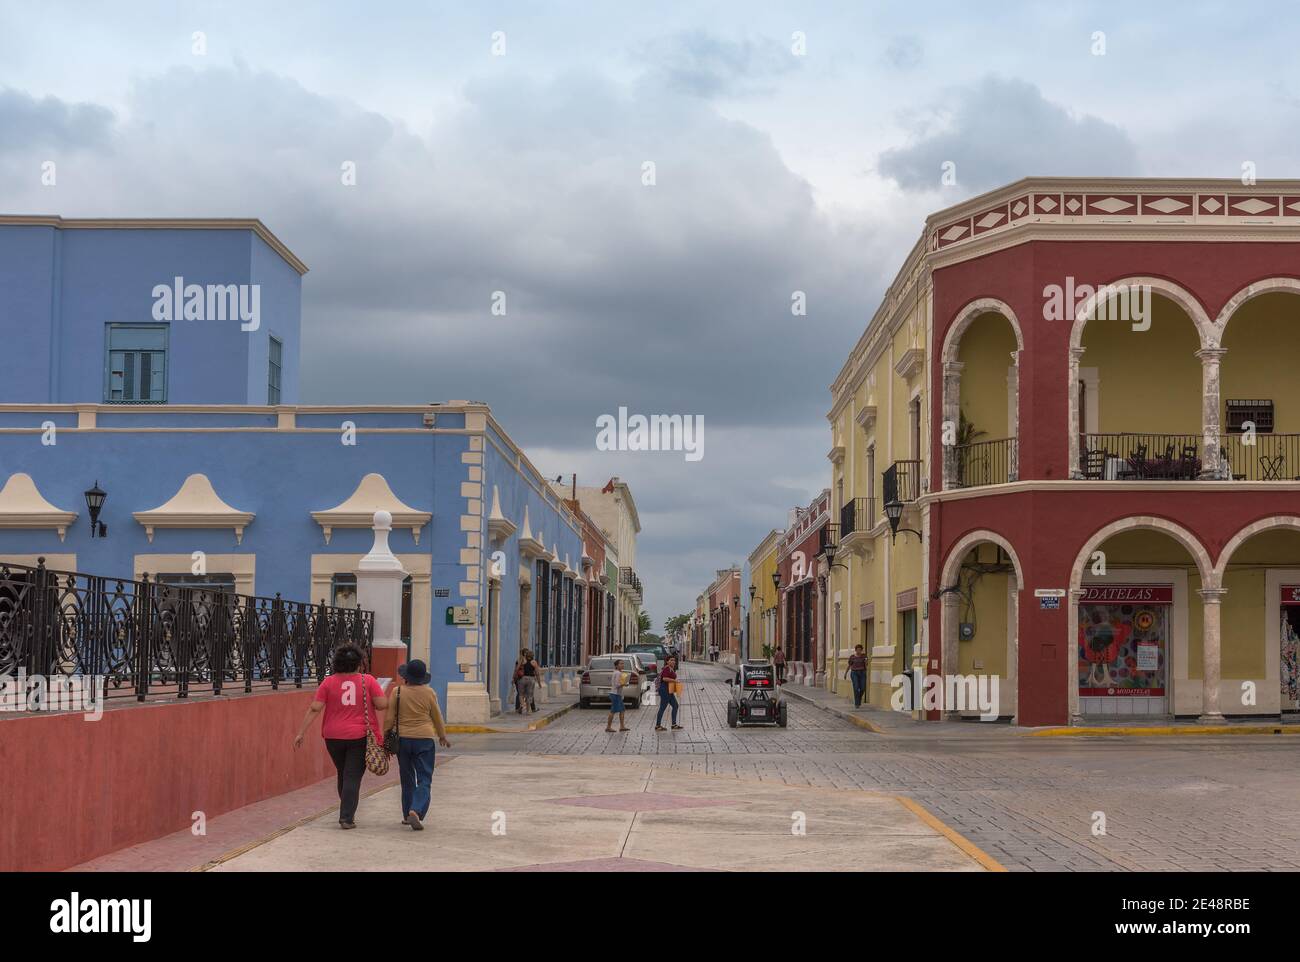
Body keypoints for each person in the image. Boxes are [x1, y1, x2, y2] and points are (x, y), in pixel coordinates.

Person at [293, 643, 389, 829]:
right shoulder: (367, 681)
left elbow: (315, 708)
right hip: (359, 736)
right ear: (359, 663)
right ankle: (346, 817)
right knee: (352, 775)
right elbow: (382, 704)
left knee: (343, 773)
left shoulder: (328, 682)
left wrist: (301, 733)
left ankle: (346, 807)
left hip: (333, 737)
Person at [383, 659, 451, 831]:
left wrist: (385, 735)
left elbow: (390, 718)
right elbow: (437, 716)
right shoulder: (429, 693)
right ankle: (416, 809)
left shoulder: (397, 692)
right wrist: (442, 735)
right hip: (424, 740)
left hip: (403, 740)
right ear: (422, 678)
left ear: (406, 677)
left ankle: (407, 814)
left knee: (406, 778)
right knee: (424, 779)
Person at [654, 655, 683, 731]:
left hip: (669, 689)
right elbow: (664, 678)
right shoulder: (667, 668)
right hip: (664, 690)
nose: (673, 661)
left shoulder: (671, 669)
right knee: (663, 707)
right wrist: (675, 681)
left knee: (675, 705)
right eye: (671, 660)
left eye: (674, 660)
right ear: (667, 661)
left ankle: (674, 724)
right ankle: (658, 725)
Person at [605, 658, 630, 733]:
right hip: (615, 694)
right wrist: (624, 684)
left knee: (622, 710)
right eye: (621, 664)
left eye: (623, 663)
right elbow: (616, 685)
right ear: (616, 666)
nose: (622, 665)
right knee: (613, 711)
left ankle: (622, 726)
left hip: (617, 694)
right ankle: (608, 727)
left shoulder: (618, 672)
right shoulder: (618, 673)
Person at [517, 648, 541, 716]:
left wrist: (514, 677)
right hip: (531, 679)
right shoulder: (534, 662)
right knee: (529, 695)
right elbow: (537, 673)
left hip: (523, 679)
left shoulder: (523, 660)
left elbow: (517, 668)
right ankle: (528, 711)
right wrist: (539, 683)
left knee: (521, 694)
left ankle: (522, 704)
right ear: (532, 655)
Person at [845, 644, 868, 708]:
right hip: (854, 673)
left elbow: (866, 665)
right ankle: (857, 703)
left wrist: (866, 661)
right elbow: (849, 665)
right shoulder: (852, 657)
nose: (859, 651)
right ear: (855, 650)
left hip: (862, 673)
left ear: (861, 650)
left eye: (860, 650)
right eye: (857, 650)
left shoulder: (864, 656)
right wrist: (845, 673)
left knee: (863, 688)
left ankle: (859, 699)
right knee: (856, 687)